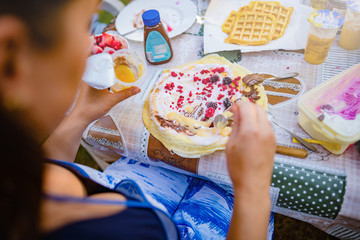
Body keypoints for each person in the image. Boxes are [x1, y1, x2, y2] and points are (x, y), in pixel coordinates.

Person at [0, 0, 276, 239]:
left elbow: (49, 171)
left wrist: (80, 116)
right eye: (87, 25)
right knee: (222, 183)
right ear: (11, 54)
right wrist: (254, 189)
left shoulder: (15, 178)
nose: (90, 42)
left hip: (134, 188)